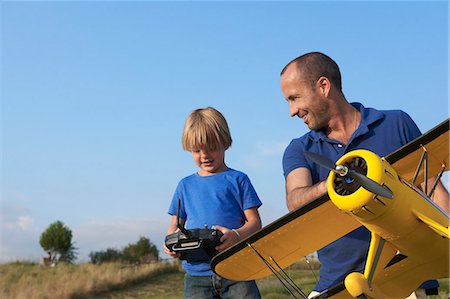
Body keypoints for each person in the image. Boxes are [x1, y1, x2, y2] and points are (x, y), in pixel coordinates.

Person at [279, 52, 449, 298]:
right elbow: (295, 201)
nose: (292, 111)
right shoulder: (299, 149)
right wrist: (340, 179)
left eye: (294, 98)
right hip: (340, 285)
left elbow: (434, 191)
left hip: (408, 279)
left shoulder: (396, 123)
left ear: (324, 86)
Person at [163, 107, 263, 299]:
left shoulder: (238, 180)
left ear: (225, 143)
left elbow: (255, 223)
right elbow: (174, 227)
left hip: (237, 270)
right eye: (196, 150)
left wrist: (236, 235)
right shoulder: (185, 185)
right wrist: (170, 244)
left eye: (212, 148)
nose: (205, 155)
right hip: (196, 276)